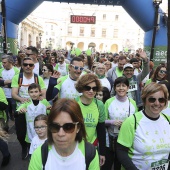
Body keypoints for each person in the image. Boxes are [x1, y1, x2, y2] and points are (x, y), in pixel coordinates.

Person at [29, 98, 100, 170]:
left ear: (78, 127)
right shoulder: (40, 154)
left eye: (68, 127)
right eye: (55, 126)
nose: (61, 133)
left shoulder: (90, 153)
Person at [117, 82, 170, 170]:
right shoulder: (131, 122)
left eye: (161, 100)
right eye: (152, 99)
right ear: (144, 100)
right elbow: (121, 151)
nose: (157, 103)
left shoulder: (168, 121)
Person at [11, 57, 46, 160]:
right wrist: (22, 100)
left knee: (36, 131)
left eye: (30, 65)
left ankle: (37, 149)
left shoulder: (38, 78)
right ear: (22, 66)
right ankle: (24, 147)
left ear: (33, 67)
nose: (28, 66)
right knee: (20, 134)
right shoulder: (18, 77)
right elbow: (13, 93)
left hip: (36, 110)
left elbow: (43, 92)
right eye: (25, 64)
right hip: (22, 110)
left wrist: (39, 99)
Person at [104, 77, 138, 170]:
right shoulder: (109, 102)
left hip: (126, 141)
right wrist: (112, 122)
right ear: (114, 88)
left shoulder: (133, 103)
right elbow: (102, 121)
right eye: (118, 86)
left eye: (124, 86)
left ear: (128, 88)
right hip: (111, 140)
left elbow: (136, 122)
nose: (121, 88)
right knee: (108, 165)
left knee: (120, 165)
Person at [75, 73, 106, 167]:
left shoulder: (99, 105)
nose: (91, 91)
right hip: (75, 146)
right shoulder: (74, 103)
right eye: (87, 88)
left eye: (94, 88)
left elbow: (101, 130)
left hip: (92, 146)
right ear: (81, 88)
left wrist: (102, 153)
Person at [0, 55, 20, 121]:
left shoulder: (16, 70)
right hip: (3, 97)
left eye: (4, 62)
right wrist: (10, 81)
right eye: (2, 62)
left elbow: (17, 82)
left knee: (16, 113)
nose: (3, 64)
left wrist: (4, 83)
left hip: (13, 96)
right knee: (5, 114)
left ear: (10, 62)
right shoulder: (1, 70)